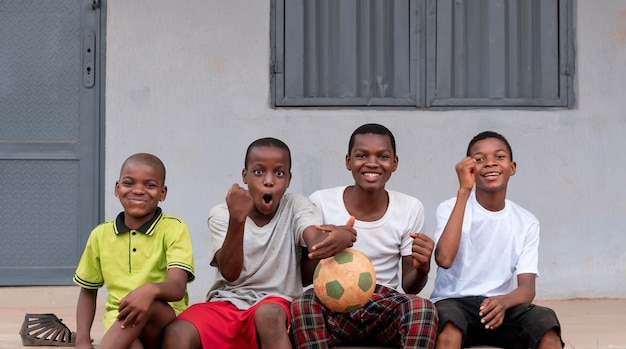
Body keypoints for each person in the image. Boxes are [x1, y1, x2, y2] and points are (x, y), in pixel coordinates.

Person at [161, 137, 356, 349]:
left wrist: (339, 237)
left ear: (289, 179)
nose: (269, 181)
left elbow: (314, 242)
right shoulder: (222, 213)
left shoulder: (296, 205)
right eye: (258, 172)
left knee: (268, 315)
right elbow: (230, 273)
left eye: (279, 173)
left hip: (277, 303)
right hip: (226, 303)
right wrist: (237, 220)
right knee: (178, 331)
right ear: (245, 176)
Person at [291, 123, 439, 349]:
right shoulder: (321, 201)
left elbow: (411, 287)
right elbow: (303, 278)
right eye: (361, 155)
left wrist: (423, 267)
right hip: (333, 306)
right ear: (348, 161)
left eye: (382, 156)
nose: (372, 163)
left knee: (423, 308)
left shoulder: (410, 207)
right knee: (303, 303)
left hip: (384, 305)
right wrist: (331, 247)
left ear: (394, 163)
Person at [431, 131, 564, 349]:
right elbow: (444, 259)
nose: (490, 163)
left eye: (499, 157)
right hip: (454, 302)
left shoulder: (526, 222)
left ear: (512, 168)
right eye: (479, 159)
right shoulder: (450, 208)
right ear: (469, 169)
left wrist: (504, 302)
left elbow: (527, 288)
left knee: (546, 324)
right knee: (449, 328)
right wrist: (465, 190)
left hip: (500, 305)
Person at [73, 153, 195, 349]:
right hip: (119, 321)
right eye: (129, 183)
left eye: (150, 185)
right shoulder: (100, 235)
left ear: (162, 193)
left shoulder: (174, 229)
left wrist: (148, 291)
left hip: (164, 320)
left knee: (148, 303)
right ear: (117, 188)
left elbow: (177, 287)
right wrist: (82, 341)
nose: (138, 191)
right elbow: (88, 290)